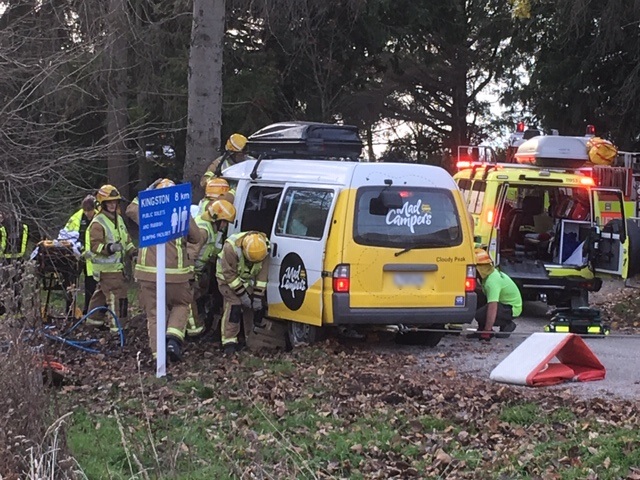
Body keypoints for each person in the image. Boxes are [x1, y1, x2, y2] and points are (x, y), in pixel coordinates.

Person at [126, 178, 202, 362]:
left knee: (154, 314)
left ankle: (158, 356)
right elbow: (196, 237)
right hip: (177, 275)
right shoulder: (181, 211)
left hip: (148, 273)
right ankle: (173, 339)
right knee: (181, 305)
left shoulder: (148, 211)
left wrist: (148, 190)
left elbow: (130, 209)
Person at [85, 185, 135, 331]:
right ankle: (117, 327)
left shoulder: (118, 219)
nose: (112, 205)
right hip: (106, 269)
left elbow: (126, 239)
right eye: (109, 202)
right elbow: (95, 246)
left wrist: (132, 252)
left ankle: (94, 321)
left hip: (117, 268)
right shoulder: (97, 223)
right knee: (117, 296)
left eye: (114, 202)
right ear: (103, 204)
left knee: (102, 294)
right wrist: (110, 248)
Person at [186, 199, 236, 337]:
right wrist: (189, 275)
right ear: (216, 219)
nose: (225, 225)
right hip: (189, 271)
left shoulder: (213, 229)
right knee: (187, 301)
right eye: (224, 221)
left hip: (199, 271)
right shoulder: (203, 230)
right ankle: (191, 333)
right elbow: (190, 253)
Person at [216, 231, 269, 354]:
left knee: (250, 307)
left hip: (245, 280)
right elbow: (229, 274)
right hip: (226, 278)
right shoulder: (231, 247)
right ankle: (229, 341)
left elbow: (262, 276)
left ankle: (249, 338)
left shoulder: (264, 249)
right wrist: (242, 295)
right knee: (234, 305)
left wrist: (257, 296)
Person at [58, 195, 98, 314]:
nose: (88, 214)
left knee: (91, 283)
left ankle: (88, 311)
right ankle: (69, 311)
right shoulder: (76, 218)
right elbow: (66, 235)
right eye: (86, 211)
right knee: (71, 282)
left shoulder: (99, 217)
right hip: (76, 255)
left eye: (89, 211)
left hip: (92, 257)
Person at [474, 248, 522, 340]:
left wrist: (487, 331)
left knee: (480, 315)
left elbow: (493, 305)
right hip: (504, 304)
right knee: (477, 297)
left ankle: (507, 324)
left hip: (511, 308)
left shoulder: (491, 282)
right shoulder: (489, 276)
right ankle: (481, 330)